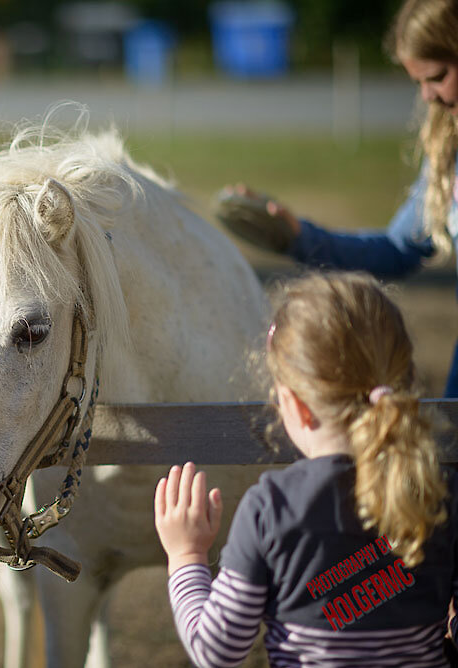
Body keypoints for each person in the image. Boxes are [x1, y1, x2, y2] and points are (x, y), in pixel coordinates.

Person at [154, 272, 458, 667]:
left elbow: (218, 651)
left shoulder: (271, 508)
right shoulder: (441, 490)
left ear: (295, 405)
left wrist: (186, 554)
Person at [217, 0, 458, 397]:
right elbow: (397, 250)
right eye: (417, 83)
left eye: (437, 76)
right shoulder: (447, 157)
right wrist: (297, 237)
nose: (428, 97)